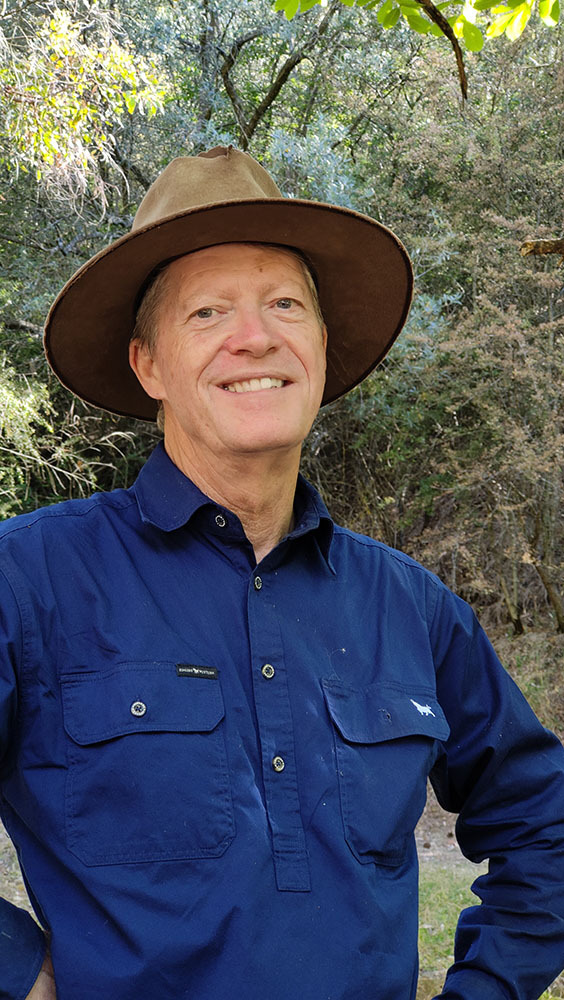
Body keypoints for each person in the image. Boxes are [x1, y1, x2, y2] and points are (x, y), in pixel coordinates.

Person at [1, 145, 563, 1000]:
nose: (255, 336)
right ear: (148, 364)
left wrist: (487, 988)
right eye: (208, 312)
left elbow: (544, 822)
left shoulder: (410, 608)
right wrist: (20, 971)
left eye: (285, 304)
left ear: (322, 348)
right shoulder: (30, 578)